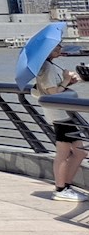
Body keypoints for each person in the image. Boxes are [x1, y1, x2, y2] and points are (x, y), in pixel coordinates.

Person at [34, 42, 88, 201]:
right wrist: (65, 81)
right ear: (48, 50)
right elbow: (52, 93)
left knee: (80, 153)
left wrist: (68, 82)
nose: (60, 49)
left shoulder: (47, 66)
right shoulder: (47, 68)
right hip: (60, 115)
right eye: (57, 47)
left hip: (62, 114)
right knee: (63, 153)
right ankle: (61, 188)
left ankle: (66, 186)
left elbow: (54, 89)